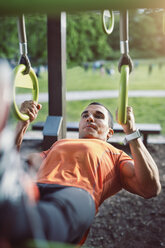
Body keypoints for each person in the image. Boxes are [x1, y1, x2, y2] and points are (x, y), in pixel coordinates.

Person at [0, 97, 161, 246]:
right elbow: (14, 165)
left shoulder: (115, 154)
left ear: (110, 132)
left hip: (75, 193)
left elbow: (150, 188)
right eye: (85, 115)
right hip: (36, 187)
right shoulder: (59, 144)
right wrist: (22, 124)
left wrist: (131, 131)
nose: (89, 118)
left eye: (98, 116)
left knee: (27, 224)